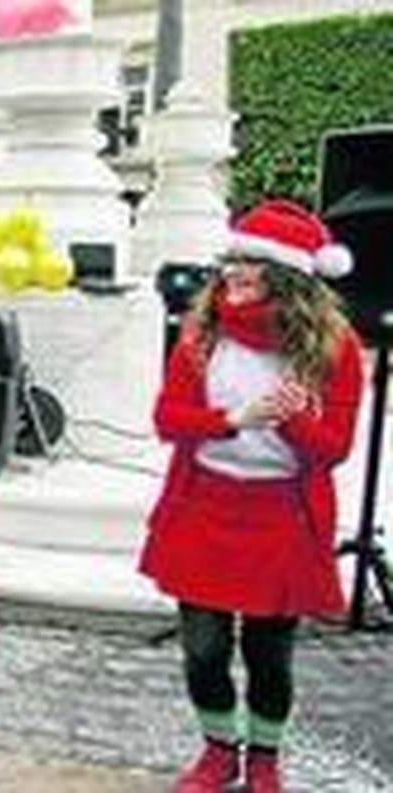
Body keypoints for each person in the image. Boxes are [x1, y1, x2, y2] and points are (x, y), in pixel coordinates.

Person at [140, 200, 362, 793]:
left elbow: (334, 448)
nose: (231, 273)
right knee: (204, 651)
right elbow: (168, 419)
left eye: (249, 263)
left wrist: (288, 421)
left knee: (270, 656)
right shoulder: (201, 334)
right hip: (204, 507)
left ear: (286, 277)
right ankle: (218, 750)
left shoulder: (332, 349)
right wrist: (237, 417)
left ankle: (264, 758)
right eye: (230, 260)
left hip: (280, 519)